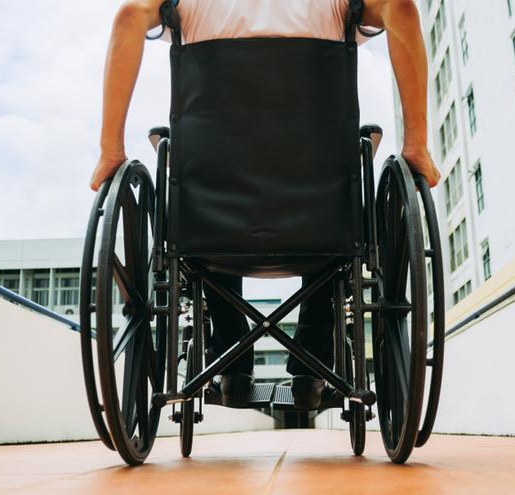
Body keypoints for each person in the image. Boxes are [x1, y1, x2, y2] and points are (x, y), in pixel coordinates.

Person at [89, 0, 440, 408]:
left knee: (212, 211)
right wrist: (415, 144)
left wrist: (110, 149)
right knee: (332, 212)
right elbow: (400, 7)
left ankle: (231, 367)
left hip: (211, 225)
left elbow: (129, 16)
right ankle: (311, 373)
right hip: (323, 222)